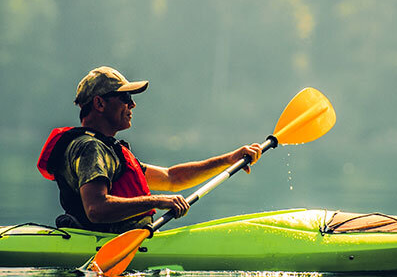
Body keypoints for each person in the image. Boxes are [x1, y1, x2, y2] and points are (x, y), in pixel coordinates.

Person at [38, 66, 263, 233]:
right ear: (99, 104)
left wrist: (229, 159)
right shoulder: (91, 149)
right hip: (104, 243)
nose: (132, 105)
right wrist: (157, 201)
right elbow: (96, 209)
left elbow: (171, 177)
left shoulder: (106, 148)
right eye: (125, 97)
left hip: (122, 239)